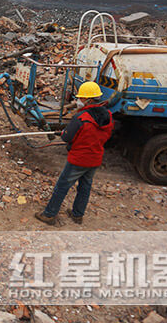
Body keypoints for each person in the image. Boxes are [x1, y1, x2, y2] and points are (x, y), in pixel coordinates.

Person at [35, 81, 114, 225]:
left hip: (79, 159)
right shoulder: (108, 116)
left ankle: (49, 214)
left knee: (62, 186)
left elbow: (67, 137)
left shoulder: (81, 118)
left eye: (81, 98)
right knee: (85, 187)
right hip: (95, 158)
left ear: (88, 99)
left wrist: (65, 132)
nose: (78, 101)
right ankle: (78, 215)